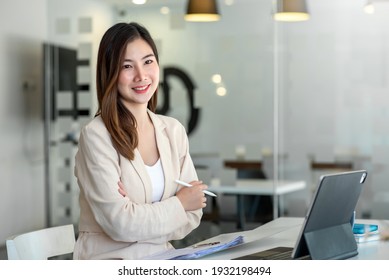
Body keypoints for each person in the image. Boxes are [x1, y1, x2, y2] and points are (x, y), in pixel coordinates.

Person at [73, 22, 208, 260]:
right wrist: (178, 204)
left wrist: (138, 214)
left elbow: (193, 214)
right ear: (110, 73)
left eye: (148, 61)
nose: (141, 75)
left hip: (163, 257)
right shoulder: (96, 135)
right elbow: (120, 224)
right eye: (127, 66)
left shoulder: (173, 130)